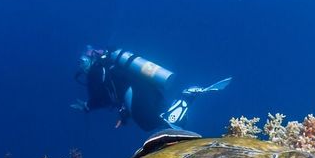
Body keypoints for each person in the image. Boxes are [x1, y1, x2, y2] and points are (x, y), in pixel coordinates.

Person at [71, 46, 231, 131]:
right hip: (147, 87)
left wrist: (87, 106)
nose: (82, 66)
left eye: (82, 61)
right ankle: (185, 100)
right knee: (165, 119)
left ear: (90, 59)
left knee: (149, 123)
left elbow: (102, 97)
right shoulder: (111, 66)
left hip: (136, 92)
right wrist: (124, 114)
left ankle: (186, 97)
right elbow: (117, 89)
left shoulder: (95, 71)